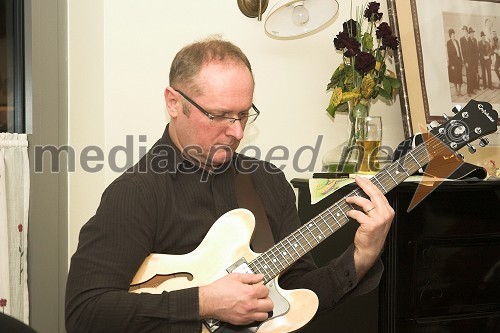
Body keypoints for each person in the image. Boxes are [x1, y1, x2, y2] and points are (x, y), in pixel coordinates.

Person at [65, 37, 394, 333]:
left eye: (244, 114)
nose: (237, 132)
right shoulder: (138, 192)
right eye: (219, 116)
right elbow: (85, 312)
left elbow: (296, 294)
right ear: (173, 102)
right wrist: (203, 302)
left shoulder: (267, 182)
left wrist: (361, 256)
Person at [446, 28, 463, 96]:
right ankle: (456, 90)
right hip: (454, 63)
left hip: (459, 61)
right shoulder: (448, 43)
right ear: (450, 35)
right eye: (452, 34)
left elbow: (459, 51)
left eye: (454, 34)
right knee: (455, 77)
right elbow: (449, 54)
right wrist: (451, 65)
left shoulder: (456, 41)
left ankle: (460, 90)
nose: (453, 35)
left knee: (460, 76)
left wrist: (461, 60)